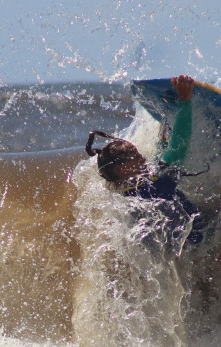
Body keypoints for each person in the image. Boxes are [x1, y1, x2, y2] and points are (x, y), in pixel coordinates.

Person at [85, 75, 210, 254]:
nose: (142, 158)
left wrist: (164, 126)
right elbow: (178, 146)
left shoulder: (124, 197)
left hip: (180, 252)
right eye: (135, 155)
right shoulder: (156, 184)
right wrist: (184, 99)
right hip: (204, 240)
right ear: (123, 168)